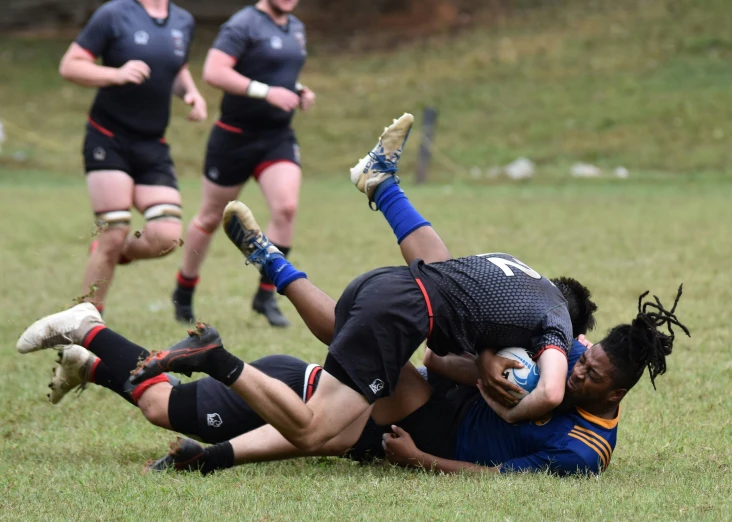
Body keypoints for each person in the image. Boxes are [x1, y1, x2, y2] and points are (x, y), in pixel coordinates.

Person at [127, 113, 598, 458]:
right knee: (316, 432)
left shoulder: (514, 280)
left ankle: (286, 248)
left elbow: (436, 344)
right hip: (400, 318)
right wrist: (493, 374)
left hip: (383, 291)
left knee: (347, 326)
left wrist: (484, 364)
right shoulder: (542, 326)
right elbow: (450, 361)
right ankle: (218, 357)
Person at [14, 286, 687, 476]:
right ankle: (91, 329)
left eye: (587, 372)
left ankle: (92, 361)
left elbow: (501, 480)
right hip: (304, 388)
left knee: (318, 430)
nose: (571, 368)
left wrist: (422, 460)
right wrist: (482, 363)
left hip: (342, 402)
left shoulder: (581, 453)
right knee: (162, 407)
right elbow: (464, 332)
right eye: (579, 356)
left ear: (613, 393)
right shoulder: (551, 356)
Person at [58, 0, 207, 314]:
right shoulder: (114, 14)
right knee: (113, 231)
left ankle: (115, 252)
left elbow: (176, 66)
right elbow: (70, 65)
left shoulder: (183, 20)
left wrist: (190, 93)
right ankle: (85, 330)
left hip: (152, 144)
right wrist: (116, 73)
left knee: (166, 237)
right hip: (108, 138)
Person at [172, 0, 314, 327]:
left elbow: (276, 71)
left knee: (286, 209)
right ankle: (184, 288)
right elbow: (214, 72)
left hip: (277, 137)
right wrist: (266, 92)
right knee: (209, 217)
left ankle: (266, 295)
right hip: (234, 138)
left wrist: (298, 90)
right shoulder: (243, 24)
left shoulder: (295, 27)